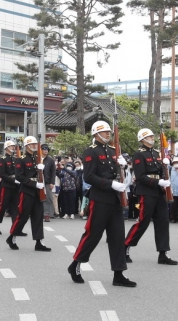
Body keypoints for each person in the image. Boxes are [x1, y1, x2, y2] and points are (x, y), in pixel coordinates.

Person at [68, 121, 135, 287]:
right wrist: (110, 184)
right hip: (100, 199)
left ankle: (118, 274)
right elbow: (88, 177)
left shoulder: (113, 151)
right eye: (104, 132)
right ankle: (75, 263)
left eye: (108, 132)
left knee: (117, 237)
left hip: (115, 199)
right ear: (96, 134)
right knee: (93, 235)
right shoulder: (91, 152)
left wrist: (124, 167)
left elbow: (117, 173)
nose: (108, 134)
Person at [124, 128, 177, 265]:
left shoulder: (156, 153)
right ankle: (125, 246)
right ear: (142, 139)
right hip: (146, 191)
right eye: (149, 136)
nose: (152, 138)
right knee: (143, 221)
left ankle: (163, 253)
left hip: (159, 191)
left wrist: (165, 165)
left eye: (153, 136)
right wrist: (158, 181)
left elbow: (160, 172)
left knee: (163, 222)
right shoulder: (138, 155)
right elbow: (140, 176)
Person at [7, 136, 51, 252]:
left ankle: (39, 241)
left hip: (38, 191)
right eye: (31, 144)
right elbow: (19, 176)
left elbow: (40, 175)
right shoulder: (21, 159)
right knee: (23, 216)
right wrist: (34, 184)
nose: (34, 146)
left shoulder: (37, 157)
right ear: (26, 146)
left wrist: (41, 173)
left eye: (35, 144)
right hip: (27, 191)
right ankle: (12, 237)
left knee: (38, 217)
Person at [0, 140, 25, 235]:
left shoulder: (16, 159)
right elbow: (2, 174)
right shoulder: (2, 159)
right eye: (11, 146)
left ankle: (15, 228)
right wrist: (13, 180)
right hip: (6, 186)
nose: (13, 148)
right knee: (2, 206)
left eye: (13, 146)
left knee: (16, 208)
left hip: (15, 187)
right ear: (6, 148)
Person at [41, 144, 56, 222]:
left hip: (47, 182)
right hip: (38, 182)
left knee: (48, 198)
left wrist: (52, 182)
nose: (45, 150)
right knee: (38, 198)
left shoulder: (50, 160)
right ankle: (38, 214)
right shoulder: (37, 159)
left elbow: (53, 172)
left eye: (47, 149)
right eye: (44, 149)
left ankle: (47, 215)